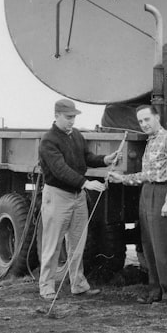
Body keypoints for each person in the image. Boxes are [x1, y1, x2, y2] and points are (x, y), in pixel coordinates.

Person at [37, 98, 121, 301]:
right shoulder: (48, 140)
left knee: (77, 242)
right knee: (52, 243)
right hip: (57, 196)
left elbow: (87, 158)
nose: (71, 121)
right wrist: (85, 183)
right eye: (68, 117)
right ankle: (46, 286)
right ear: (56, 115)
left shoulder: (76, 135)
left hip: (77, 197)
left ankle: (78, 284)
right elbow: (60, 170)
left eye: (73, 117)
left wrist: (104, 160)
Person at [109, 104, 167, 304]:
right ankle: (155, 292)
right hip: (147, 192)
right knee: (149, 246)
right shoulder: (150, 142)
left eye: (147, 120)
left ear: (156, 117)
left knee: (163, 248)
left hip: (163, 193)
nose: (144, 124)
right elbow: (146, 175)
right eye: (140, 121)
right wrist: (122, 179)